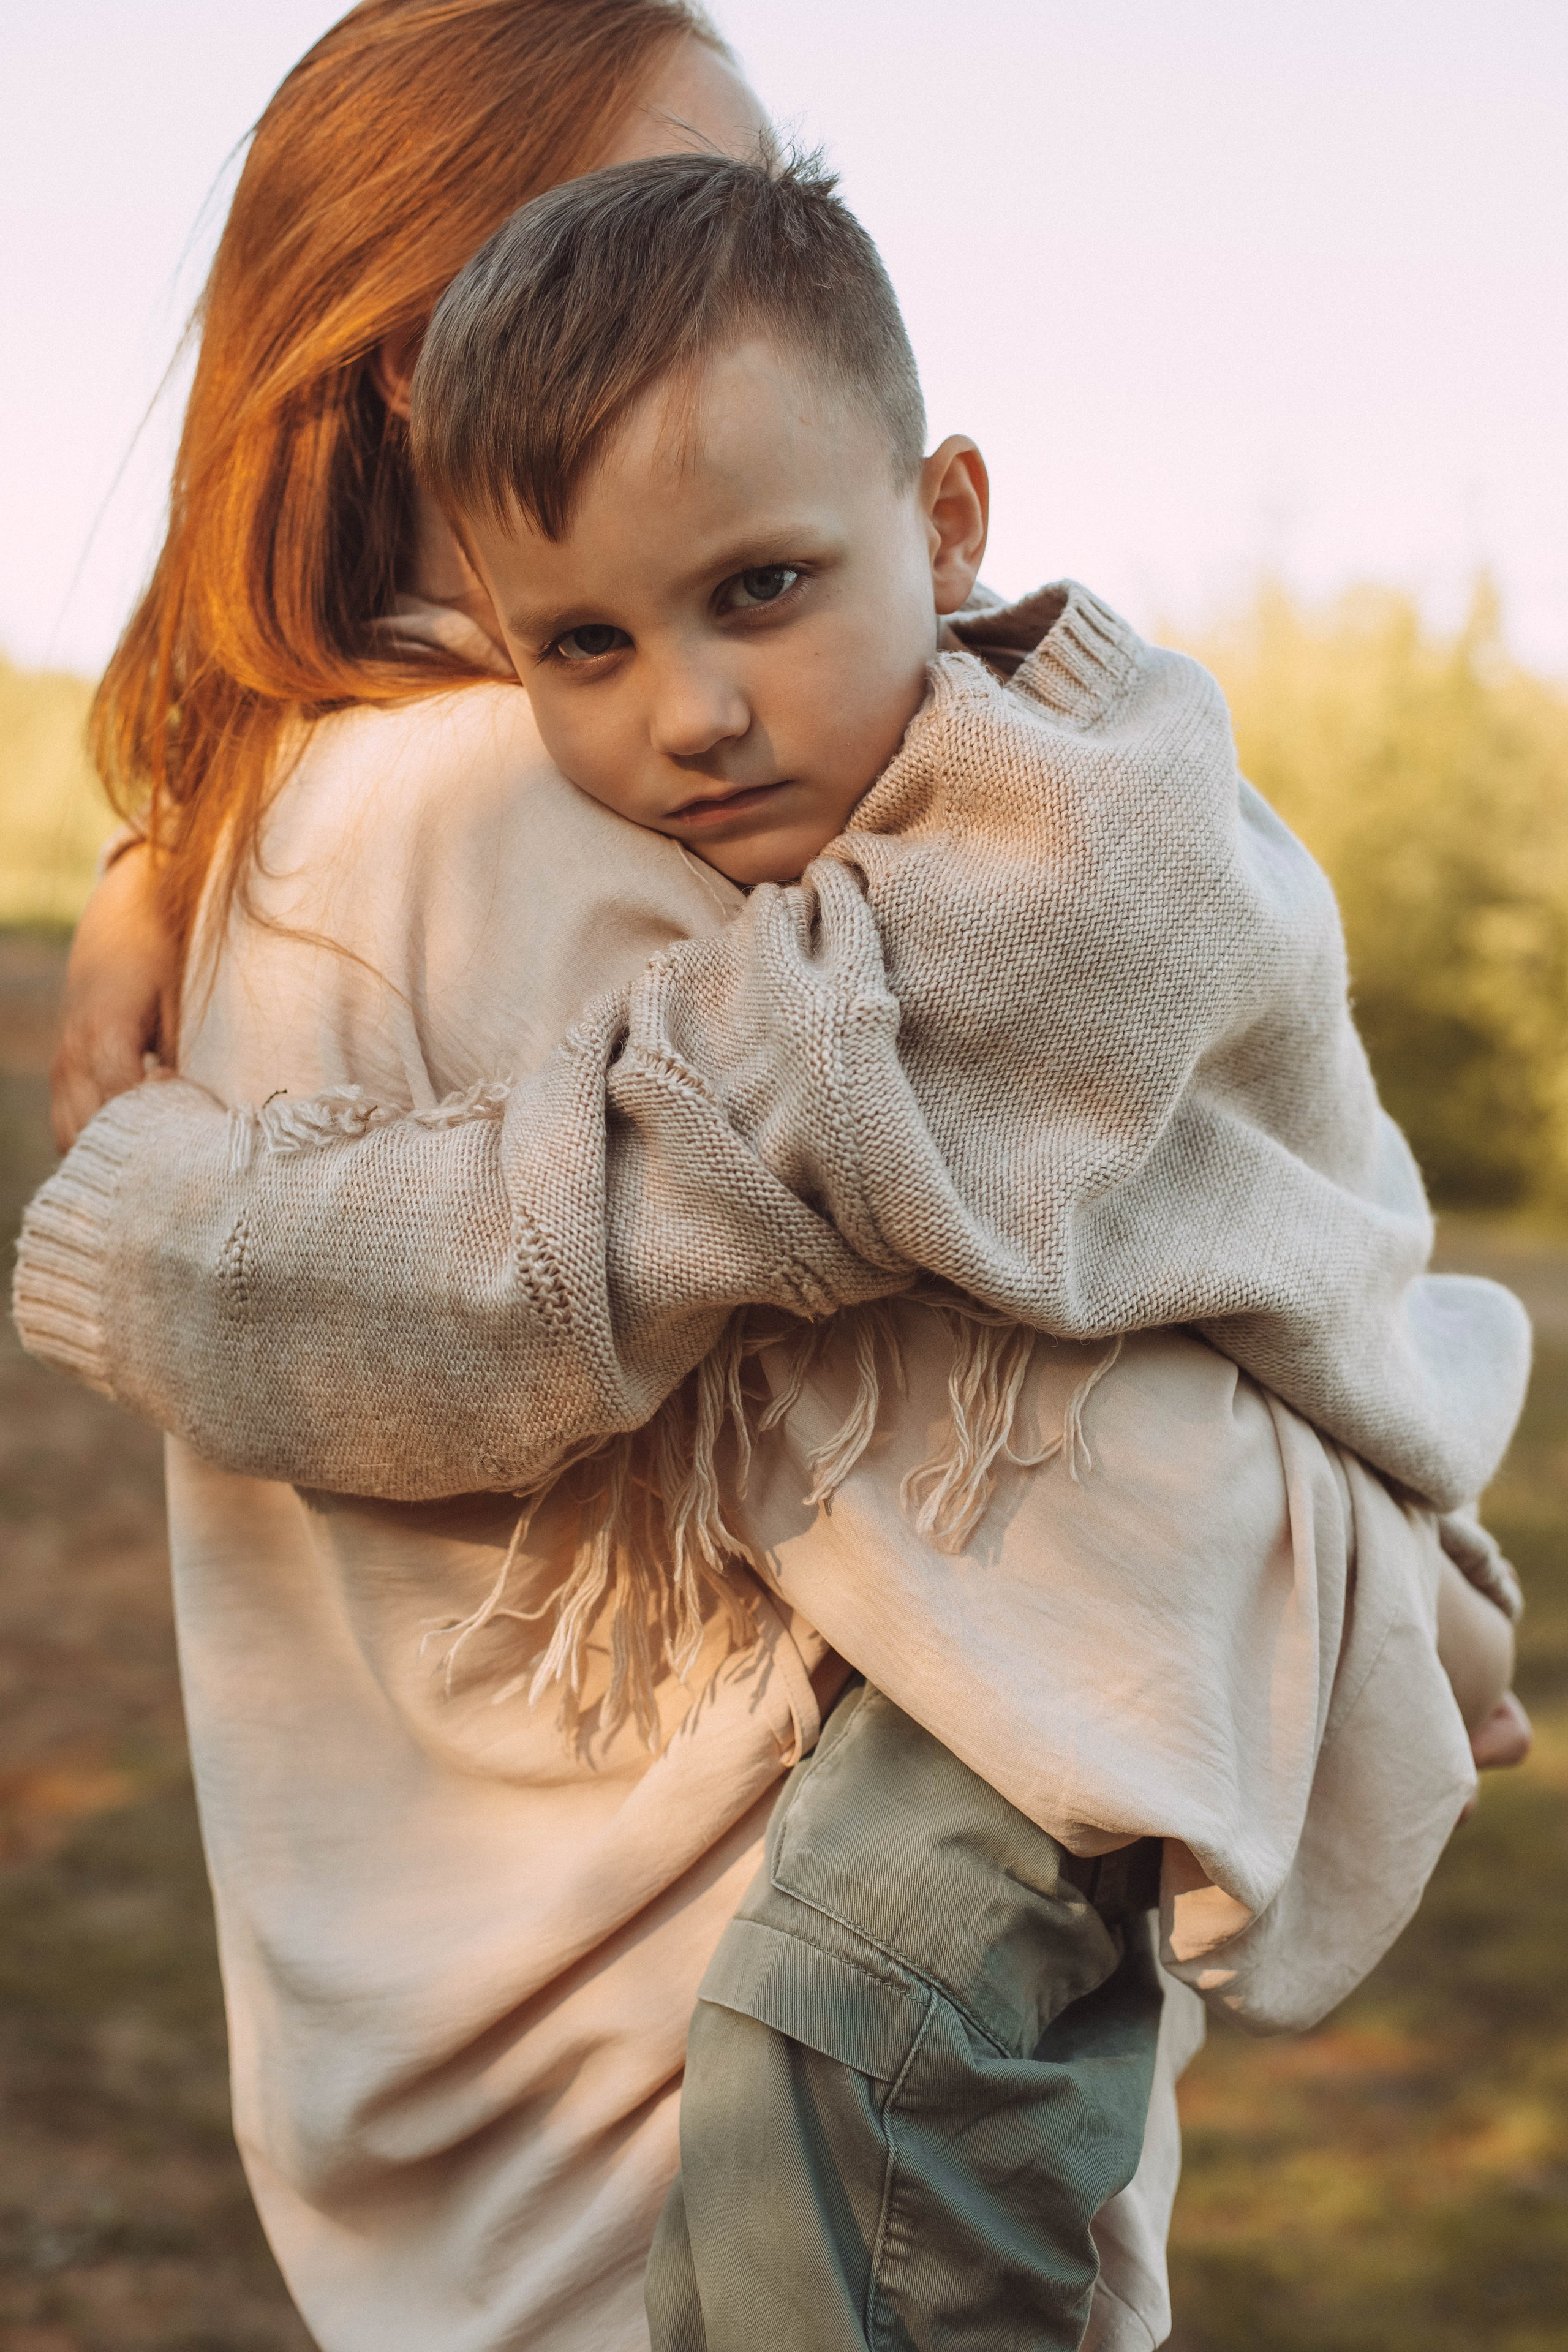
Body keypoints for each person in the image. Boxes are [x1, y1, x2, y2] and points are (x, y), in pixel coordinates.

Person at [18, 132, 1530, 2350]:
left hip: (1154, 1620)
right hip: (1121, 1601)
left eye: (759, 595)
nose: (689, 716)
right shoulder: (919, 779)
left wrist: (150, 1228)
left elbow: (573, 1239)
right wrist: (184, 828)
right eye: (585, 646)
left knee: (859, 2102)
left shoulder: (1034, 898)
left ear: (947, 522)